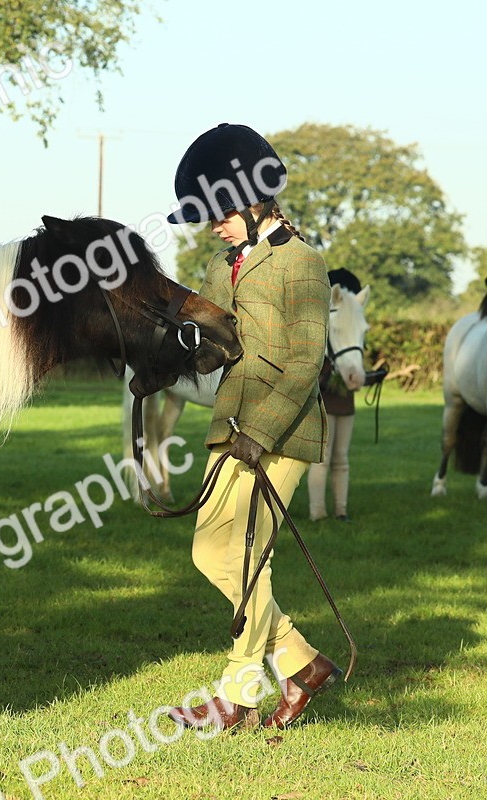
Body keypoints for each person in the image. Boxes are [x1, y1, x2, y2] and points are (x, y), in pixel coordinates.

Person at [162, 124, 340, 730]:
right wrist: (170, 353)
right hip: (226, 426)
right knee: (211, 551)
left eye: (220, 213)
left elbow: (305, 360)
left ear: (256, 200)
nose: (214, 226)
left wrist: (261, 432)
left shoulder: (302, 263)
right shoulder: (221, 265)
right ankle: (301, 661)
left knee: (246, 556)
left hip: (282, 434)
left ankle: (236, 697)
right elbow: (210, 338)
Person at [306, 268, 377, 522]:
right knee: (322, 458)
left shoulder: (348, 327)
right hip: (324, 400)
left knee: (341, 458)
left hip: (345, 401)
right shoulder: (320, 333)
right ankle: (317, 512)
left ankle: (341, 510)